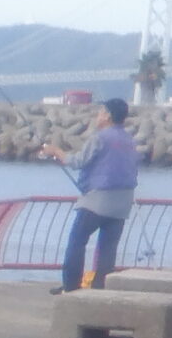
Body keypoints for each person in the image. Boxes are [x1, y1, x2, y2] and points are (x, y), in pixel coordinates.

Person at [56, 97, 140, 291]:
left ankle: (71, 286)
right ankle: (100, 287)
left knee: (77, 241)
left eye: (101, 112)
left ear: (107, 116)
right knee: (107, 249)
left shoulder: (101, 137)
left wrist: (56, 152)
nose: (98, 115)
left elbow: (78, 162)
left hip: (97, 200)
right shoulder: (130, 141)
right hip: (123, 202)